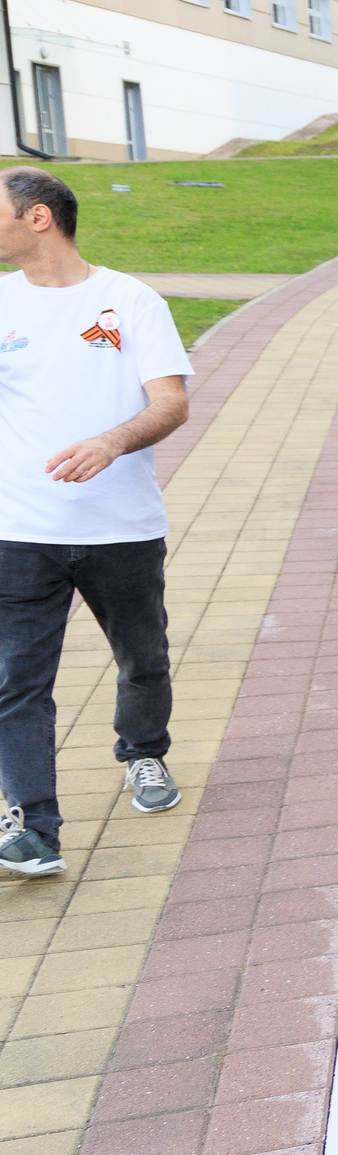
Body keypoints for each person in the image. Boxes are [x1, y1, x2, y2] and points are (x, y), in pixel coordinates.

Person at [0, 169, 191, 878]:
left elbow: (171, 402)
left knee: (143, 657)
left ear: (38, 218)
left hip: (121, 526)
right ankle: (34, 827)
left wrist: (110, 442)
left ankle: (143, 753)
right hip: (19, 529)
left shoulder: (128, 300)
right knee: (17, 678)